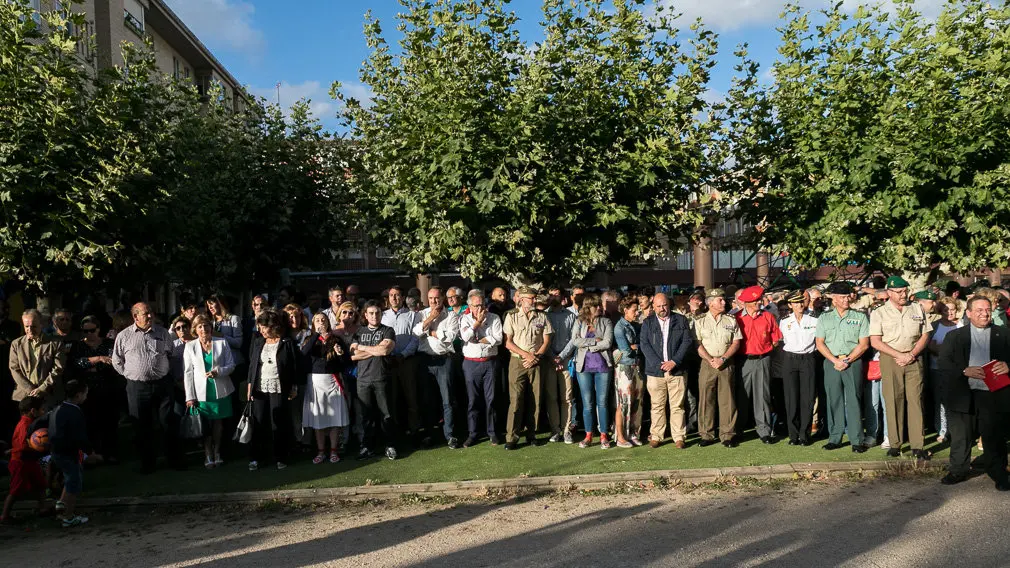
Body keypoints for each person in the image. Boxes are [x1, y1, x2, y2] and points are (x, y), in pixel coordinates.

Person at [938, 296, 1010, 489]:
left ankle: (999, 473)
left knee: (994, 435)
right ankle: (958, 471)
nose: (984, 313)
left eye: (987, 309)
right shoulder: (954, 336)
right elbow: (944, 364)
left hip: (993, 394)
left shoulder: (1004, 334)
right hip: (963, 392)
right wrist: (964, 370)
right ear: (968, 313)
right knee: (961, 435)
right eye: (979, 310)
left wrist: (1008, 365)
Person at [112, 303, 181, 474]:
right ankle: (147, 463)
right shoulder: (124, 336)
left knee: (168, 422)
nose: (150, 316)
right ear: (135, 317)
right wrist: (130, 375)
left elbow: (171, 355)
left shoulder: (162, 333)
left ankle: (173, 460)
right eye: (146, 314)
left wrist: (165, 373)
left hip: (162, 384)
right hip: (137, 387)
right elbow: (116, 360)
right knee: (142, 426)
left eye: (151, 313)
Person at [869, 275, 933, 459]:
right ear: (889, 293)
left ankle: (917, 445)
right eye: (899, 292)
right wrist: (899, 355)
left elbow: (925, 334)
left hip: (914, 357)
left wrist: (911, 354)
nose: (903, 294)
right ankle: (895, 444)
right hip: (891, 358)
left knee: (915, 400)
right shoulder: (879, 312)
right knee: (893, 400)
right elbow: (875, 341)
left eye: (905, 290)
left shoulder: (916, 308)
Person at [815, 282, 871, 452]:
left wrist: (847, 360)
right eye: (842, 297)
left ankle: (856, 440)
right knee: (834, 400)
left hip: (852, 362)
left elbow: (864, 344)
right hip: (831, 362)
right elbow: (820, 343)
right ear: (834, 299)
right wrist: (834, 360)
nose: (846, 299)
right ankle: (835, 438)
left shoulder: (860, 317)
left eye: (848, 296)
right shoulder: (824, 318)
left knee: (854, 400)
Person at [638, 292, 694, 449]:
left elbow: (686, 341)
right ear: (653, 307)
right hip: (655, 372)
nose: (662, 308)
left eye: (665, 305)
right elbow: (645, 345)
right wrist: (659, 364)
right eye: (659, 306)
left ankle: (679, 437)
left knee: (677, 405)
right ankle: (656, 436)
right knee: (657, 405)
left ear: (669, 304)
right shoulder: (648, 323)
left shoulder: (680, 320)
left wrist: (674, 361)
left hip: (677, 370)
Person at [246, 309, 300, 471]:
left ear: (273, 326)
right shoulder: (257, 341)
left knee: (279, 422)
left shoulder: (286, 342)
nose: (261, 330)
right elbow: (252, 365)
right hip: (259, 387)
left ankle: (280, 457)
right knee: (259, 421)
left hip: (279, 387)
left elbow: (293, 367)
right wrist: (249, 386)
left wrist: (294, 386)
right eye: (260, 327)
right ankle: (256, 457)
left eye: (264, 327)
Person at [502, 286, 555, 450]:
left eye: (534, 298)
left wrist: (535, 357)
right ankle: (512, 437)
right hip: (518, 362)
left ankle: (532, 434)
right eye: (530, 298)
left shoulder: (542, 316)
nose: (533, 301)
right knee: (516, 400)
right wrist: (527, 355)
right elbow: (508, 342)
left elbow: (547, 340)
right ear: (521, 299)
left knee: (535, 400)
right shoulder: (511, 316)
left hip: (536, 361)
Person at [560, 294, 615, 449]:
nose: (599, 308)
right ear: (588, 307)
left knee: (602, 402)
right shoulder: (579, 321)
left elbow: (608, 342)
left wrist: (590, 346)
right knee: (587, 403)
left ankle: (604, 434)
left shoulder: (606, 321)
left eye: (599, 305)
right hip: (583, 367)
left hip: (603, 366)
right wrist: (594, 341)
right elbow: (576, 341)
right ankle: (588, 434)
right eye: (596, 305)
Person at [183, 315, 236, 469]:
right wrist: (190, 396)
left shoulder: (221, 343)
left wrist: (218, 372)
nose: (203, 329)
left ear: (210, 327)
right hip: (201, 392)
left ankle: (218, 452)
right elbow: (188, 373)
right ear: (195, 329)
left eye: (206, 325)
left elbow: (231, 365)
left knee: (218, 423)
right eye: (200, 326)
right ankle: (208, 454)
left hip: (221, 390)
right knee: (205, 424)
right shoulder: (190, 346)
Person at [735, 286, 784, 444]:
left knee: (763, 395)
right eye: (755, 300)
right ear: (747, 303)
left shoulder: (768, 316)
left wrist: (767, 349)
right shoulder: (737, 318)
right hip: (743, 360)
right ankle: (738, 429)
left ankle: (764, 431)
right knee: (742, 395)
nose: (759, 302)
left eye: (759, 299)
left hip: (763, 359)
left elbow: (776, 338)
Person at [413, 287, 461, 448]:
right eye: (431, 298)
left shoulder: (452, 315)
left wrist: (432, 332)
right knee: (427, 399)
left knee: (447, 399)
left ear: (442, 299)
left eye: (437, 298)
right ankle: (429, 434)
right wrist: (430, 319)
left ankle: (450, 435)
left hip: (444, 360)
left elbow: (450, 338)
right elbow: (416, 332)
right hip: (425, 361)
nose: (434, 301)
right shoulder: (422, 314)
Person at [693, 289, 742, 447]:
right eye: (720, 300)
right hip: (707, 363)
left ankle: (727, 434)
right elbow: (697, 343)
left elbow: (736, 342)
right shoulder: (699, 320)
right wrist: (710, 359)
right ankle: (706, 434)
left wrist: (723, 358)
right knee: (706, 399)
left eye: (723, 300)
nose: (723, 302)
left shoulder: (730, 319)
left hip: (726, 362)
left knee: (727, 399)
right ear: (710, 303)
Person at [68, 316, 119, 464]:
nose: (89, 334)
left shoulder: (109, 344)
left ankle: (110, 454)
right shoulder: (78, 346)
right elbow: (77, 364)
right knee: (90, 424)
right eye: (85, 331)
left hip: (108, 389)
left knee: (109, 423)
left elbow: (112, 363)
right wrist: (97, 359)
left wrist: (91, 364)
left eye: (92, 330)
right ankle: (92, 455)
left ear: (98, 329)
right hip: (87, 392)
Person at [350, 302, 398, 460]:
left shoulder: (387, 330)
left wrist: (363, 348)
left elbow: (385, 350)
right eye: (371, 313)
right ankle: (367, 447)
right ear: (365, 315)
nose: (374, 316)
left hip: (381, 378)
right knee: (366, 416)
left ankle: (390, 445)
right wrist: (374, 349)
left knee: (386, 414)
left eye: (377, 313)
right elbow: (353, 355)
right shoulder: (359, 331)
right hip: (363, 380)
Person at [302, 313, 350, 464]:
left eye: (323, 320)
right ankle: (321, 451)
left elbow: (345, 363)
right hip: (315, 381)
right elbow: (303, 354)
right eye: (317, 320)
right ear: (313, 323)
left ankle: (334, 451)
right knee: (318, 419)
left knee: (334, 418)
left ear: (329, 322)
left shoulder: (336, 340)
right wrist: (317, 334)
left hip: (332, 380)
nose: (321, 322)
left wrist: (341, 354)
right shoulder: (310, 339)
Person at [459, 290, 503, 447]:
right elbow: (465, 337)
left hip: (490, 362)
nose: (480, 308)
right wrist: (477, 323)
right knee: (473, 400)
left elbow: (498, 339)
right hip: (471, 363)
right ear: (470, 306)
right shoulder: (464, 319)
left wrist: (478, 338)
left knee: (491, 400)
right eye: (476, 306)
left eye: (482, 305)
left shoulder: (494, 318)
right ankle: (473, 433)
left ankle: (492, 432)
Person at [1, 396, 51, 524]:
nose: (43, 412)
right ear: (33, 411)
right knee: (16, 489)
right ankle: (4, 515)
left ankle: (43, 508)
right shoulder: (25, 425)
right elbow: (23, 445)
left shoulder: (29, 423)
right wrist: (38, 446)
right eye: (42, 409)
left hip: (30, 461)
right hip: (21, 462)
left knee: (40, 484)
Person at [779, 291, 819, 446]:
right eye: (796, 303)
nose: (800, 305)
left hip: (808, 358)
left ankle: (805, 434)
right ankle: (793, 435)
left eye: (802, 302)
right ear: (790, 305)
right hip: (790, 358)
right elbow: (781, 340)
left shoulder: (814, 319)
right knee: (791, 398)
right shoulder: (784, 321)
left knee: (807, 398)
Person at [49, 380, 89, 527]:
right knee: (74, 483)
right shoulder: (75, 412)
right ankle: (68, 516)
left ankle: (61, 509)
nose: (86, 397)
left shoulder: (56, 408)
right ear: (78, 395)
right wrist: (90, 452)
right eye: (85, 394)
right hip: (68, 452)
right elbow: (80, 436)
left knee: (68, 480)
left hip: (56, 451)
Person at [9, 309, 66, 409]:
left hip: (49, 396)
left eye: (33, 326)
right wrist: (31, 389)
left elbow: (58, 369)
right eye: (26, 326)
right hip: (23, 397)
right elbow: (14, 369)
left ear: (41, 324)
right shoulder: (16, 344)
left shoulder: (56, 344)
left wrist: (42, 389)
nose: (30, 330)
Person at [928, 296, 961, 443]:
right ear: (941, 310)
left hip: (958, 370)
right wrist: (948, 352)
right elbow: (931, 346)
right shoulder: (935, 325)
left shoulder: (961, 325)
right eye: (946, 309)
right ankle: (942, 430)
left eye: (953, 309)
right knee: (940, 401)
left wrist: (943, 349)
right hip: (937, 369)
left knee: (957, 401)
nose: (950, 312)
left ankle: (957, 430)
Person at [547, 292, 578, 443]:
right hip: (549, 360)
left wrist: (561, 356)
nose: (553, 298)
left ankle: (566, 430)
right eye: (550, 295)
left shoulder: (571, 316)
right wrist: (553, 356)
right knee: (552, 397)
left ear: (562, 298)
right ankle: (555, 430)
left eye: (556, 295)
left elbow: (574, 339)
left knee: (567, 397)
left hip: (565, 360)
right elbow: (542, 339)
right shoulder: (545, 315)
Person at [613, 297, 644, 448]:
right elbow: (626, 350)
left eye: (637, 309)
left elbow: (638, 346)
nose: (637, 312)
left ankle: (633, 433)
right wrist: (637, 347)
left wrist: (635, 346)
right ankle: (620, 436)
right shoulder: (619, 327)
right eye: (634, 310)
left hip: (637, 366)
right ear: (625, 310)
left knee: (637, 401)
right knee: (623, 402)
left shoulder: (636, 326)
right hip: (624, 367)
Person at [206, 294, 244, 370]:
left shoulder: (233, 319)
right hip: (218, 365)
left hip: (234, 363)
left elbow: (238, 343)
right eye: (208, 305)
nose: (210, 307)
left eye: (212, 304)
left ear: (220, 303)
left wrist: (221, 335)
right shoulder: (210, 322)